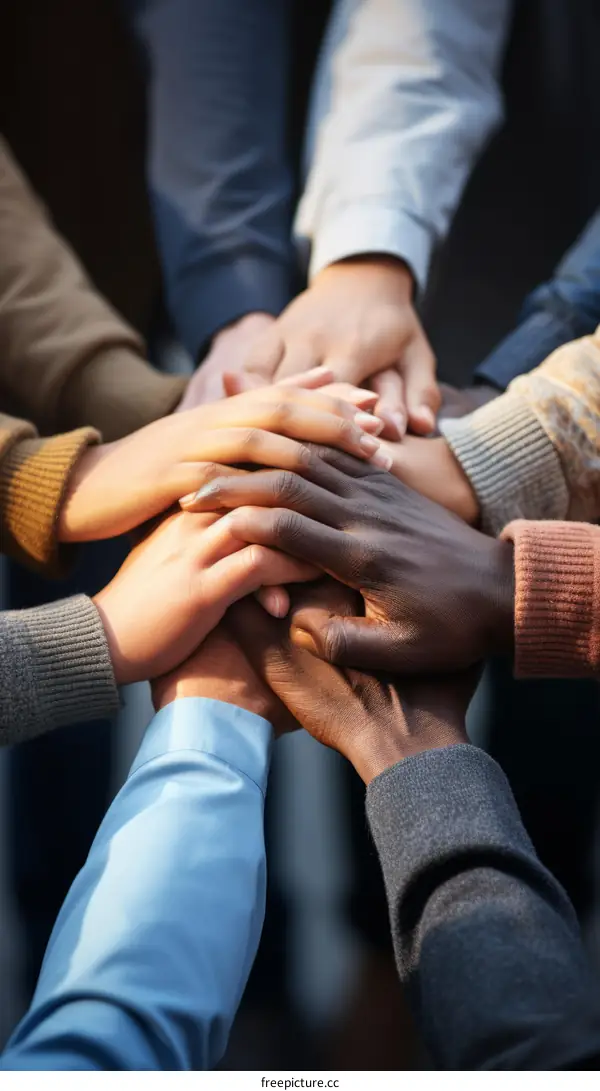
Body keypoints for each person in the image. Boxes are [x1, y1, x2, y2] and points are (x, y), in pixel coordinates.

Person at [124, 0, 513, 433]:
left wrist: (367, 265)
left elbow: (426, 24)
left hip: (473, 244)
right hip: (221, 248)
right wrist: (239, 308)